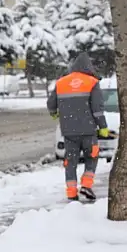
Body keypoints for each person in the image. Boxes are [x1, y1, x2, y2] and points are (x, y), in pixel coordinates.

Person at [47, 52, 110, 201]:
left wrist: (54, 113)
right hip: (88, 130)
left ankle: (71, 192)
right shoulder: (92, 82)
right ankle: (86, 186)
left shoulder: (61, 82)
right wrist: (103, 126)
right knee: (92, 157)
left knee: (71, 162)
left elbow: (51, 104)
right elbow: (97, 108)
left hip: (69, 131)